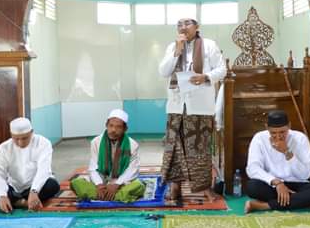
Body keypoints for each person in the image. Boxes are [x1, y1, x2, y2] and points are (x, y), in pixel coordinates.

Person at [158, 17, 226, 203]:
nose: (183, 27)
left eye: (187, 23)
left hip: (200, 106)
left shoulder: (209, 45)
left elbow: (222, 70)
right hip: (176, 106)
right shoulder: (172, 47)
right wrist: (176, 52)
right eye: (179, 24)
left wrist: (205, 77)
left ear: (197, 27)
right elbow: (163, 72)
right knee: (174, 147)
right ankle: (175, 186)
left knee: (200, 149)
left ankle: (204, 188)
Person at [244, 110, 310, 213]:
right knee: (252, 186)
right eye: (273, 133)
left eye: (282, 132)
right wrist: (277, 183)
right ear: (267, 128)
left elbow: (306, 174)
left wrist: (287, 152)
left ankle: (264, 206)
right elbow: (252, 168)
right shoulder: (259, 138)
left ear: (289, 126)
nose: (278, 137)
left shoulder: (300, 138)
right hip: (272, 185)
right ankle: (306, 202)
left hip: (297, 184)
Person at [0, 117, 60, 212]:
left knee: (52, 185)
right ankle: (24, 203)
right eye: (16, 139)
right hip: (13, 187)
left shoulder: (43, 143)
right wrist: (2, 196)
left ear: (32, 132)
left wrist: (34, 191)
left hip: (34, 186)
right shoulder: (4, 148)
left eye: (24, 138)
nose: (20, 142)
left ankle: (14, 202)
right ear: (11, 135)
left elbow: (44, 170)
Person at [71, 109, 145, 203]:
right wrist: (99, 185)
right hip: (102, 179)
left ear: (125, 129)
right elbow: (93, 167)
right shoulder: (96, 142)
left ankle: (100, 196)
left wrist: (117, 184)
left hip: (122, 181)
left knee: (138, 185)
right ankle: (116, 196)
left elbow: (132, 169)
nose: (113, 130)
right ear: (106, 125)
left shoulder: (132, 145)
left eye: (118, 127)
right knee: (77, 183)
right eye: (111, 126)